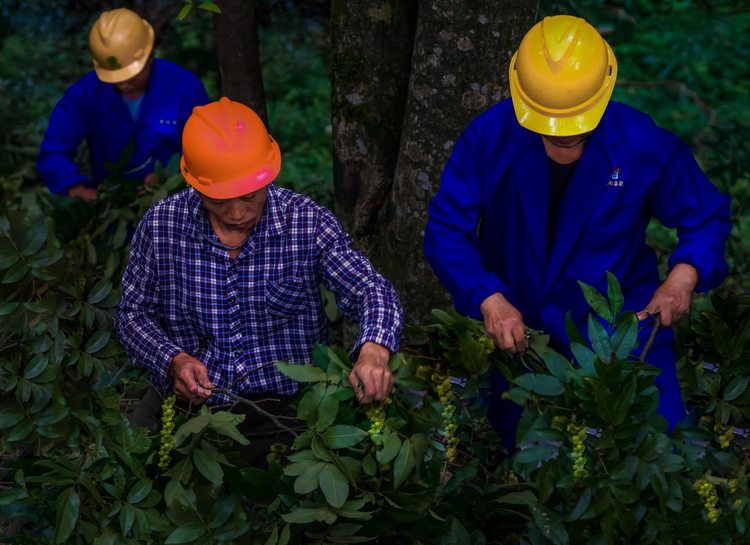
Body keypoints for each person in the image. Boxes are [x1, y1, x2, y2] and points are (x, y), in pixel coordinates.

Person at [424, 15, 731, 447]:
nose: (561, 140)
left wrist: (683, 278)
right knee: (526, 465)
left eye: (574, 130)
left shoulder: (643, 143)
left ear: (603, 96)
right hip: (521, 333)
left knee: (656, 449)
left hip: (623, 328)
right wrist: (487, 299)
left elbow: (705, 216)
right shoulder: (488, 137)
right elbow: (446, 229)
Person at [115, 97, 403, 465]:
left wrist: (374, 351)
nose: (237, 213)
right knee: (135, 476)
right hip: (187, 404)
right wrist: (174, 360)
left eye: (249, 197)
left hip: (288, 408)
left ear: (268, 176)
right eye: (218, 201)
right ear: (196, 185)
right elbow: (132, 315)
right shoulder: (162, 226)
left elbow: (370, 289)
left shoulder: (306, 223)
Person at [37, 8, 209, 200]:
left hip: (176, 205)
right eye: (114, 77)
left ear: (149, 55)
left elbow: (207, 149)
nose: (123, 83)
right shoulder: (84, 94)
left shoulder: (184, 88)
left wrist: (170, 174)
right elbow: (54, 150)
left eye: (131, 76)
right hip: (113, 211)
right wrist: (78, 190)